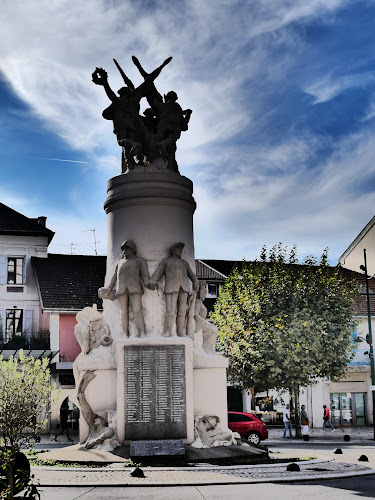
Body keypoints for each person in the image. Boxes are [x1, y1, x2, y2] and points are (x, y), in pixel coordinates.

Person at [98, 240, 150, 337]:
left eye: (127, 248)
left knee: (137, 310)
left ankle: (142, 332)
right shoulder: (120, 262)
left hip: (135, 289)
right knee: (123, 312)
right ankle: (125, 333)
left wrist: (148, 284)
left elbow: (145, 276)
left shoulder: (139, 261)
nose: (124, 251)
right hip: (121, 289)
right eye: (123, 249)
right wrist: (109, 287)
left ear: (133, 249)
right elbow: (114, 277)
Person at [149, 242, 199, 337]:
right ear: (173, 251)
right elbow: (158, 272)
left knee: (182, 311)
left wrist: (196, 282)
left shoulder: (184, 263)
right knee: (170, 311)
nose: (181, 251)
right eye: (179, 249)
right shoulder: (166, 261)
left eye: (181, 249)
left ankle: (180, 332)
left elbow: (191, 274)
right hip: (171, 288)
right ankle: (167, 331)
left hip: (183, 289)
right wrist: (153, 281)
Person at [77, 371, 116, 450]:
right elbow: (87, 413)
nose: (95, 418)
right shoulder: (94, 429)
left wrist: (94, 441)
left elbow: (110, 433)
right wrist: (81, 394)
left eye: (98, 417)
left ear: (103, 420)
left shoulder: (106, 429)